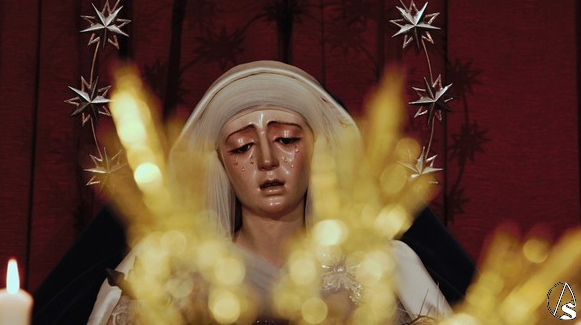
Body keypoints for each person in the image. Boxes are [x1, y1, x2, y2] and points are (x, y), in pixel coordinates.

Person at [85, 60, 453, 324]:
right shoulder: (165, 269)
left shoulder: (382, 266)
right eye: (242, 146)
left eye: (287, 140)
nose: (266, 160)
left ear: (318, 151)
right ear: (220, 162)